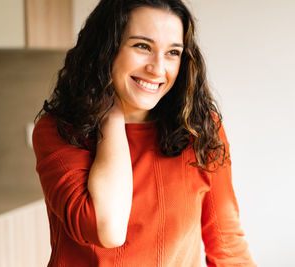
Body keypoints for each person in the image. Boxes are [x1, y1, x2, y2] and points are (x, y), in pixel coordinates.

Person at [32, 0, 256, 266]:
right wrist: (112, 114)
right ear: (106, 49)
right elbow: (108, 229)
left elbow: (226, 242)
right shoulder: (59, 131)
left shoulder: (200, 128)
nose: (158, 68)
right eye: (142, 46)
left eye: (173, 52)